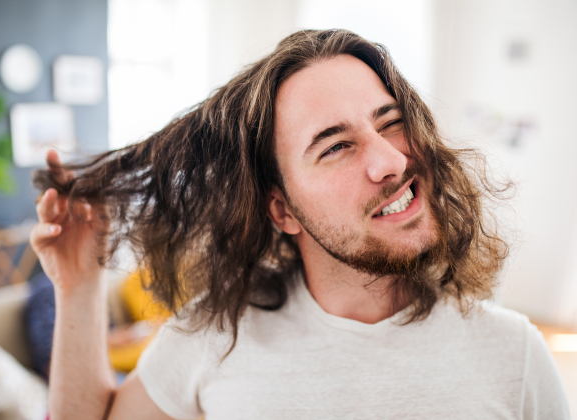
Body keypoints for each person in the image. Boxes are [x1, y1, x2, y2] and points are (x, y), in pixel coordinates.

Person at [30, 29, 571, 419]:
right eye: (337, 146)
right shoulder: (219, 334)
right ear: (281, 209)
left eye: (392, 123)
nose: (392, 160)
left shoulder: (513, 355)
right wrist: (78, 288)